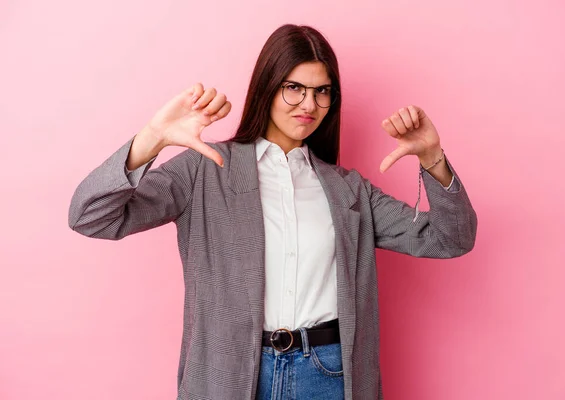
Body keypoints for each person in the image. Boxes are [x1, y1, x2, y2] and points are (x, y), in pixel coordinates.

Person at [68, 24, 477, 400]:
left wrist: (433, 159)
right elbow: (90, 215)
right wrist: (152, 139)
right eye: (293, 87)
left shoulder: (347, 190)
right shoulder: (204, 169)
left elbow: (449, 237)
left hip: (328, 374)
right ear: (267, 87)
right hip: (230, 375)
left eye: (322, 91)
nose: (309, 104)